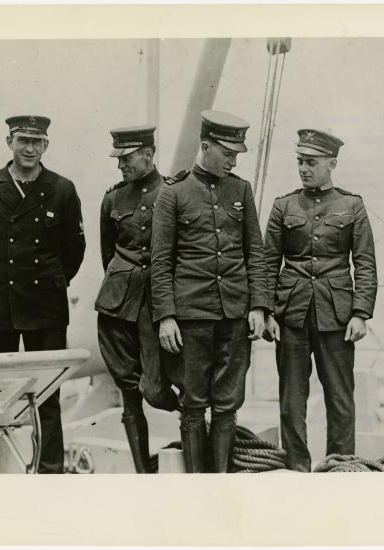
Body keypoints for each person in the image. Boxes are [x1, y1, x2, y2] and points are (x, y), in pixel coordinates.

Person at [0, 115, 86, 473]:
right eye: (23, 141)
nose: (30, 148)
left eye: (37, 141)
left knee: (47, 397)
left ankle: (49, 471)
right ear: (9, 142)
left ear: (46, 146)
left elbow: (73, 250)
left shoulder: (62, 189)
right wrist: (1, 281)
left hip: (45, 307)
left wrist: (51, 282)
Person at [151, 110, 268, 473]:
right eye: (228, 153)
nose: (234, 160)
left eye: (236, 155)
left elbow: (255, 253)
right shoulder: (173, 193)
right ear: (205, 146)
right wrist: (166, 316)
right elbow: (160, 262)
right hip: (190, 316)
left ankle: (219, 484)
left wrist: (259, 306)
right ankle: (197, 487)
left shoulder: (241, 190)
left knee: (227, 402)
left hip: (234, 314)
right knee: (193, 403)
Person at [263, 129, 377, 471]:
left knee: (340, 397)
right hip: (291, 315)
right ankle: (297, 466)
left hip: (337, 316)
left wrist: (360, 314)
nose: (303, 168)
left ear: (332, 164)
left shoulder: (351, 205)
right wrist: (267, 311)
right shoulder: (283, 205)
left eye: (311, 162)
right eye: (299, 161)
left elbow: (365, 263)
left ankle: (339, 466)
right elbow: (268, 263)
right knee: (291, 398)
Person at [95, 125, 181, 474]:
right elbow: (107, 254)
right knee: (129, 392)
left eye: (127, 158)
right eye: (119, 159)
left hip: (160, 305)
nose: (121, 166)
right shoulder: (113, 199)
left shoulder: (175, 192)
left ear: (149, 154)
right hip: (118, 306)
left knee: (157, 389)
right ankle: (143, 473)